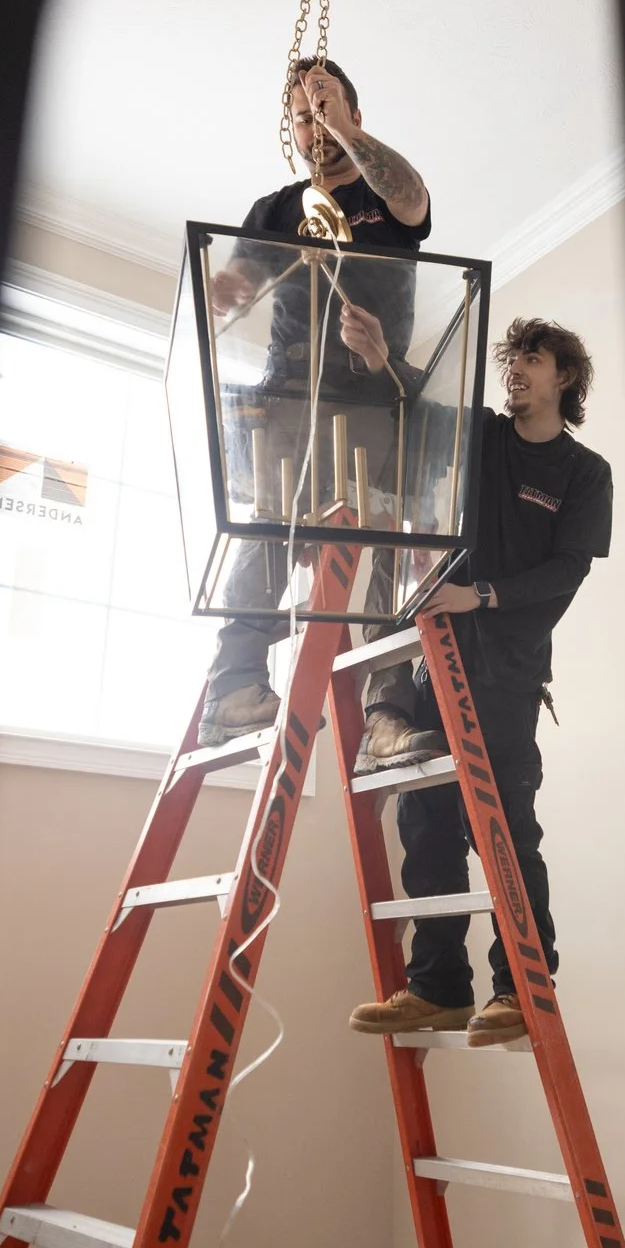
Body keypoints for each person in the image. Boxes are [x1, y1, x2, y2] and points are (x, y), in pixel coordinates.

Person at [348, 318, 612, 1047]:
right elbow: (426, 408)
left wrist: (483, 595)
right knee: (425, 822)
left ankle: (521, 990)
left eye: (532, 358)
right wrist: (380, 357)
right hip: (438, 659)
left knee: (503, 827)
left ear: (566, 377)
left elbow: (567, 573)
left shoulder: (584, 474)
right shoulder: (487, 439)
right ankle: (438, 988)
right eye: (511, 359)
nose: (516, 369)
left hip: (506, 673)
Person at [195, 56, 449, 778]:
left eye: (327, 107)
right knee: (266, 531)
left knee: (386, 547)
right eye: (302, 114)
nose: (314, 125)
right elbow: (233, 290)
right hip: (290, 396)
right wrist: (219, 293)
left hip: (374, 391)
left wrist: (336, 114)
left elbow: (413, 199)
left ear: (354, 115)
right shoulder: (276, 210)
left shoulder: (385, 194)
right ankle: (236, 684)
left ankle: (385, 715)